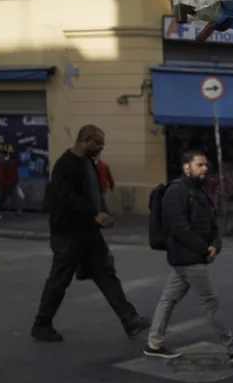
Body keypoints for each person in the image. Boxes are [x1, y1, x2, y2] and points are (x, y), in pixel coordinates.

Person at [31, 125, 150, 342]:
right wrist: (94, 214)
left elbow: (93, 193)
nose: (101, 148)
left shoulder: (89, 164)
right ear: (84, 140)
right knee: (59, 280)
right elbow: (68, 198)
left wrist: (102, 213)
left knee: (106, 274)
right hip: (68, 233)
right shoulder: (65, 165)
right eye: (98, 143)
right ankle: (41, 324)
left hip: (89, 233)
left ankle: (129, 319)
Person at [145, 150, 233, 362]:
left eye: (206, 164)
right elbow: (179, 228)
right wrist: (204, 250)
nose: (205, 168)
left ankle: (153, 343)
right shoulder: (176, 192)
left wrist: (216, 244)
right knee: (210, 302)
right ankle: (232, 348)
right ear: (186, 167)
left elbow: (211, 224)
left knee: (168, 299)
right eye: (199, 165)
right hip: (187, 258)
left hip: (190, 257)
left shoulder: (199, 191)